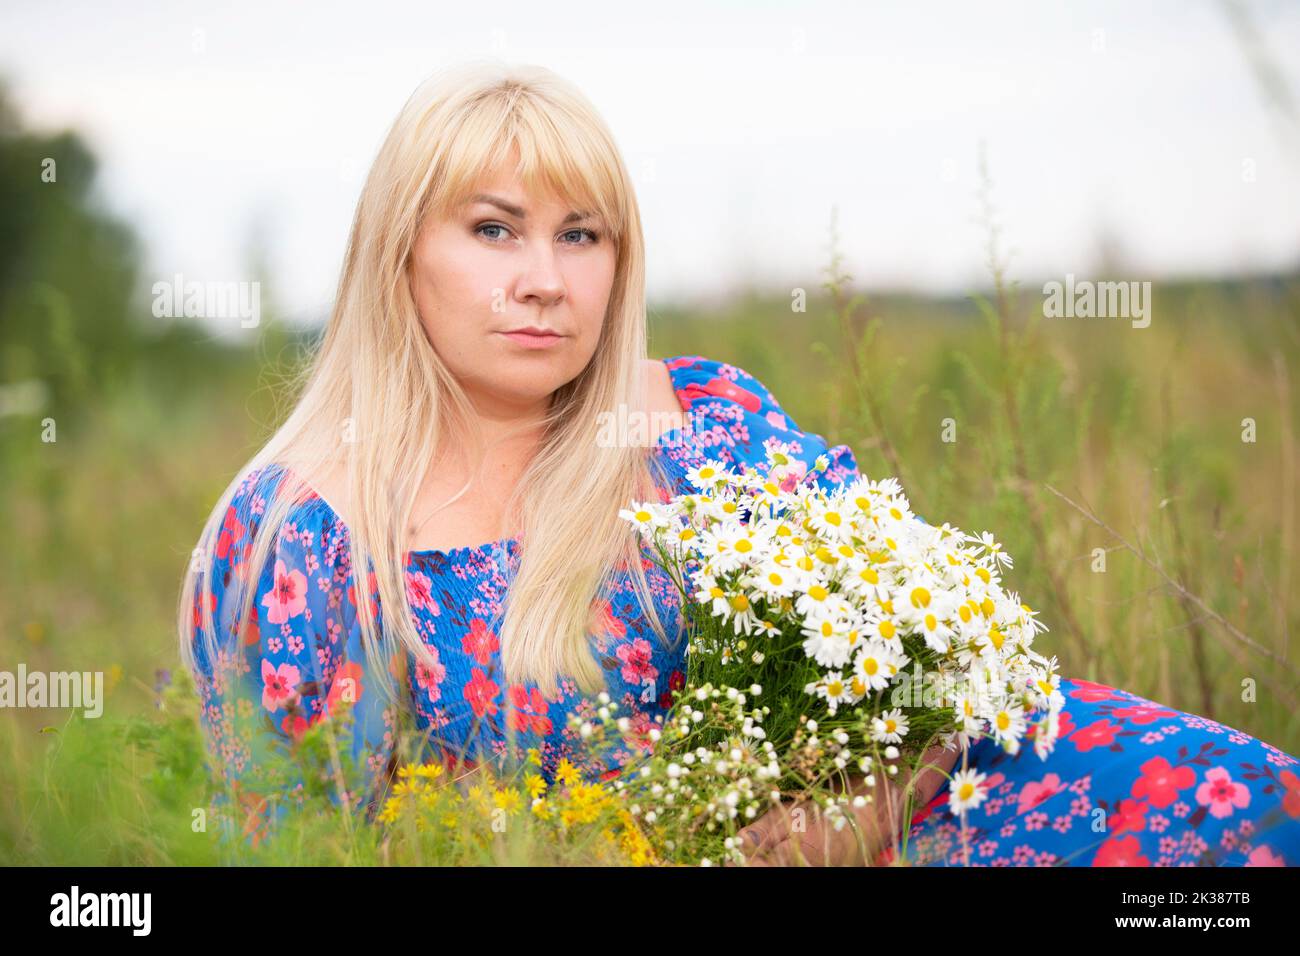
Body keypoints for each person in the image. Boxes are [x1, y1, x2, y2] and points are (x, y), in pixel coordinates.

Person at [178, 61, 1300, 865]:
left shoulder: (699, 422)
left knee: (1253, 808)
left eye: (582, 233)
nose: (545, 278)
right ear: (398, 251)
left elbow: (947, 637)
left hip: (930, 809)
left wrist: (860, 808)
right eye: (493, 228)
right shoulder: (305, 534)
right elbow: (300, 843)